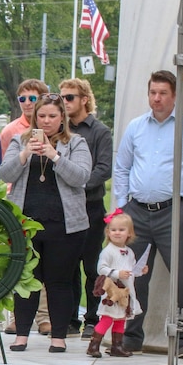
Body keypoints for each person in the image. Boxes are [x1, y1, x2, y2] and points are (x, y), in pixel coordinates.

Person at [113, 69, 183, 355]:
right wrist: (122, 208)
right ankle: (131, 337)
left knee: (181, 278)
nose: (157, 98)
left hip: (173, 212)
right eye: (153, 93)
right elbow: (122, 167)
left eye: (163, 93)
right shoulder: (135, 127)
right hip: (137, 214)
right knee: (131, 276)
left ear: (175, 95)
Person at [0, 93, 92, 353]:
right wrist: (25, 154)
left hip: (65, 226)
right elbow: (4, 173)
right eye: (42, 116)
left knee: (59, 281)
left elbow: (81, 176)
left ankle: (59, 336)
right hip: (26, 224)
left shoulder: (76, 143)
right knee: (26, 280)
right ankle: (21, 335)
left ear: (62, 117)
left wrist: (55, 156)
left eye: (52, 116)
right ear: (33, 117)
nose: (47, 121)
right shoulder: (20, 141)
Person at [60, 78, 114, 339]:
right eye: (62, 98)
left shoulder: (100, 131)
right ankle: (69, 319)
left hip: (90, 206)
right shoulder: (60, 131)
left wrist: (79, 185)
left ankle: (92, 318)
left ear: (84, 99)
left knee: (92, 266)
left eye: (69, 97)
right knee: (67, 265)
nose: (65, 102)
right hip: (65, 208)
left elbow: (104, 168)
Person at [88, 211, 147, 358]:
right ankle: (94, 344)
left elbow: (131, 271)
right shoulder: (108, 251)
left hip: (125, 293)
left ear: (129, 233)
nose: (117, 233)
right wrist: (116, 273)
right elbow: (101, 268)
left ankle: (117, 346)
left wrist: (140, 271)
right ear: (108, 232)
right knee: (107, 318)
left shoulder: (129, 252)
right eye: (113, 230)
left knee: (121, 319)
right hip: (112, 292)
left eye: (121, 230)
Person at [0, 78, 49, 156]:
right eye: (22, 99)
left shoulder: (53, 126)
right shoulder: (9, 131)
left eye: (32, 98)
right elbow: (3, 164)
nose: (27, 103)